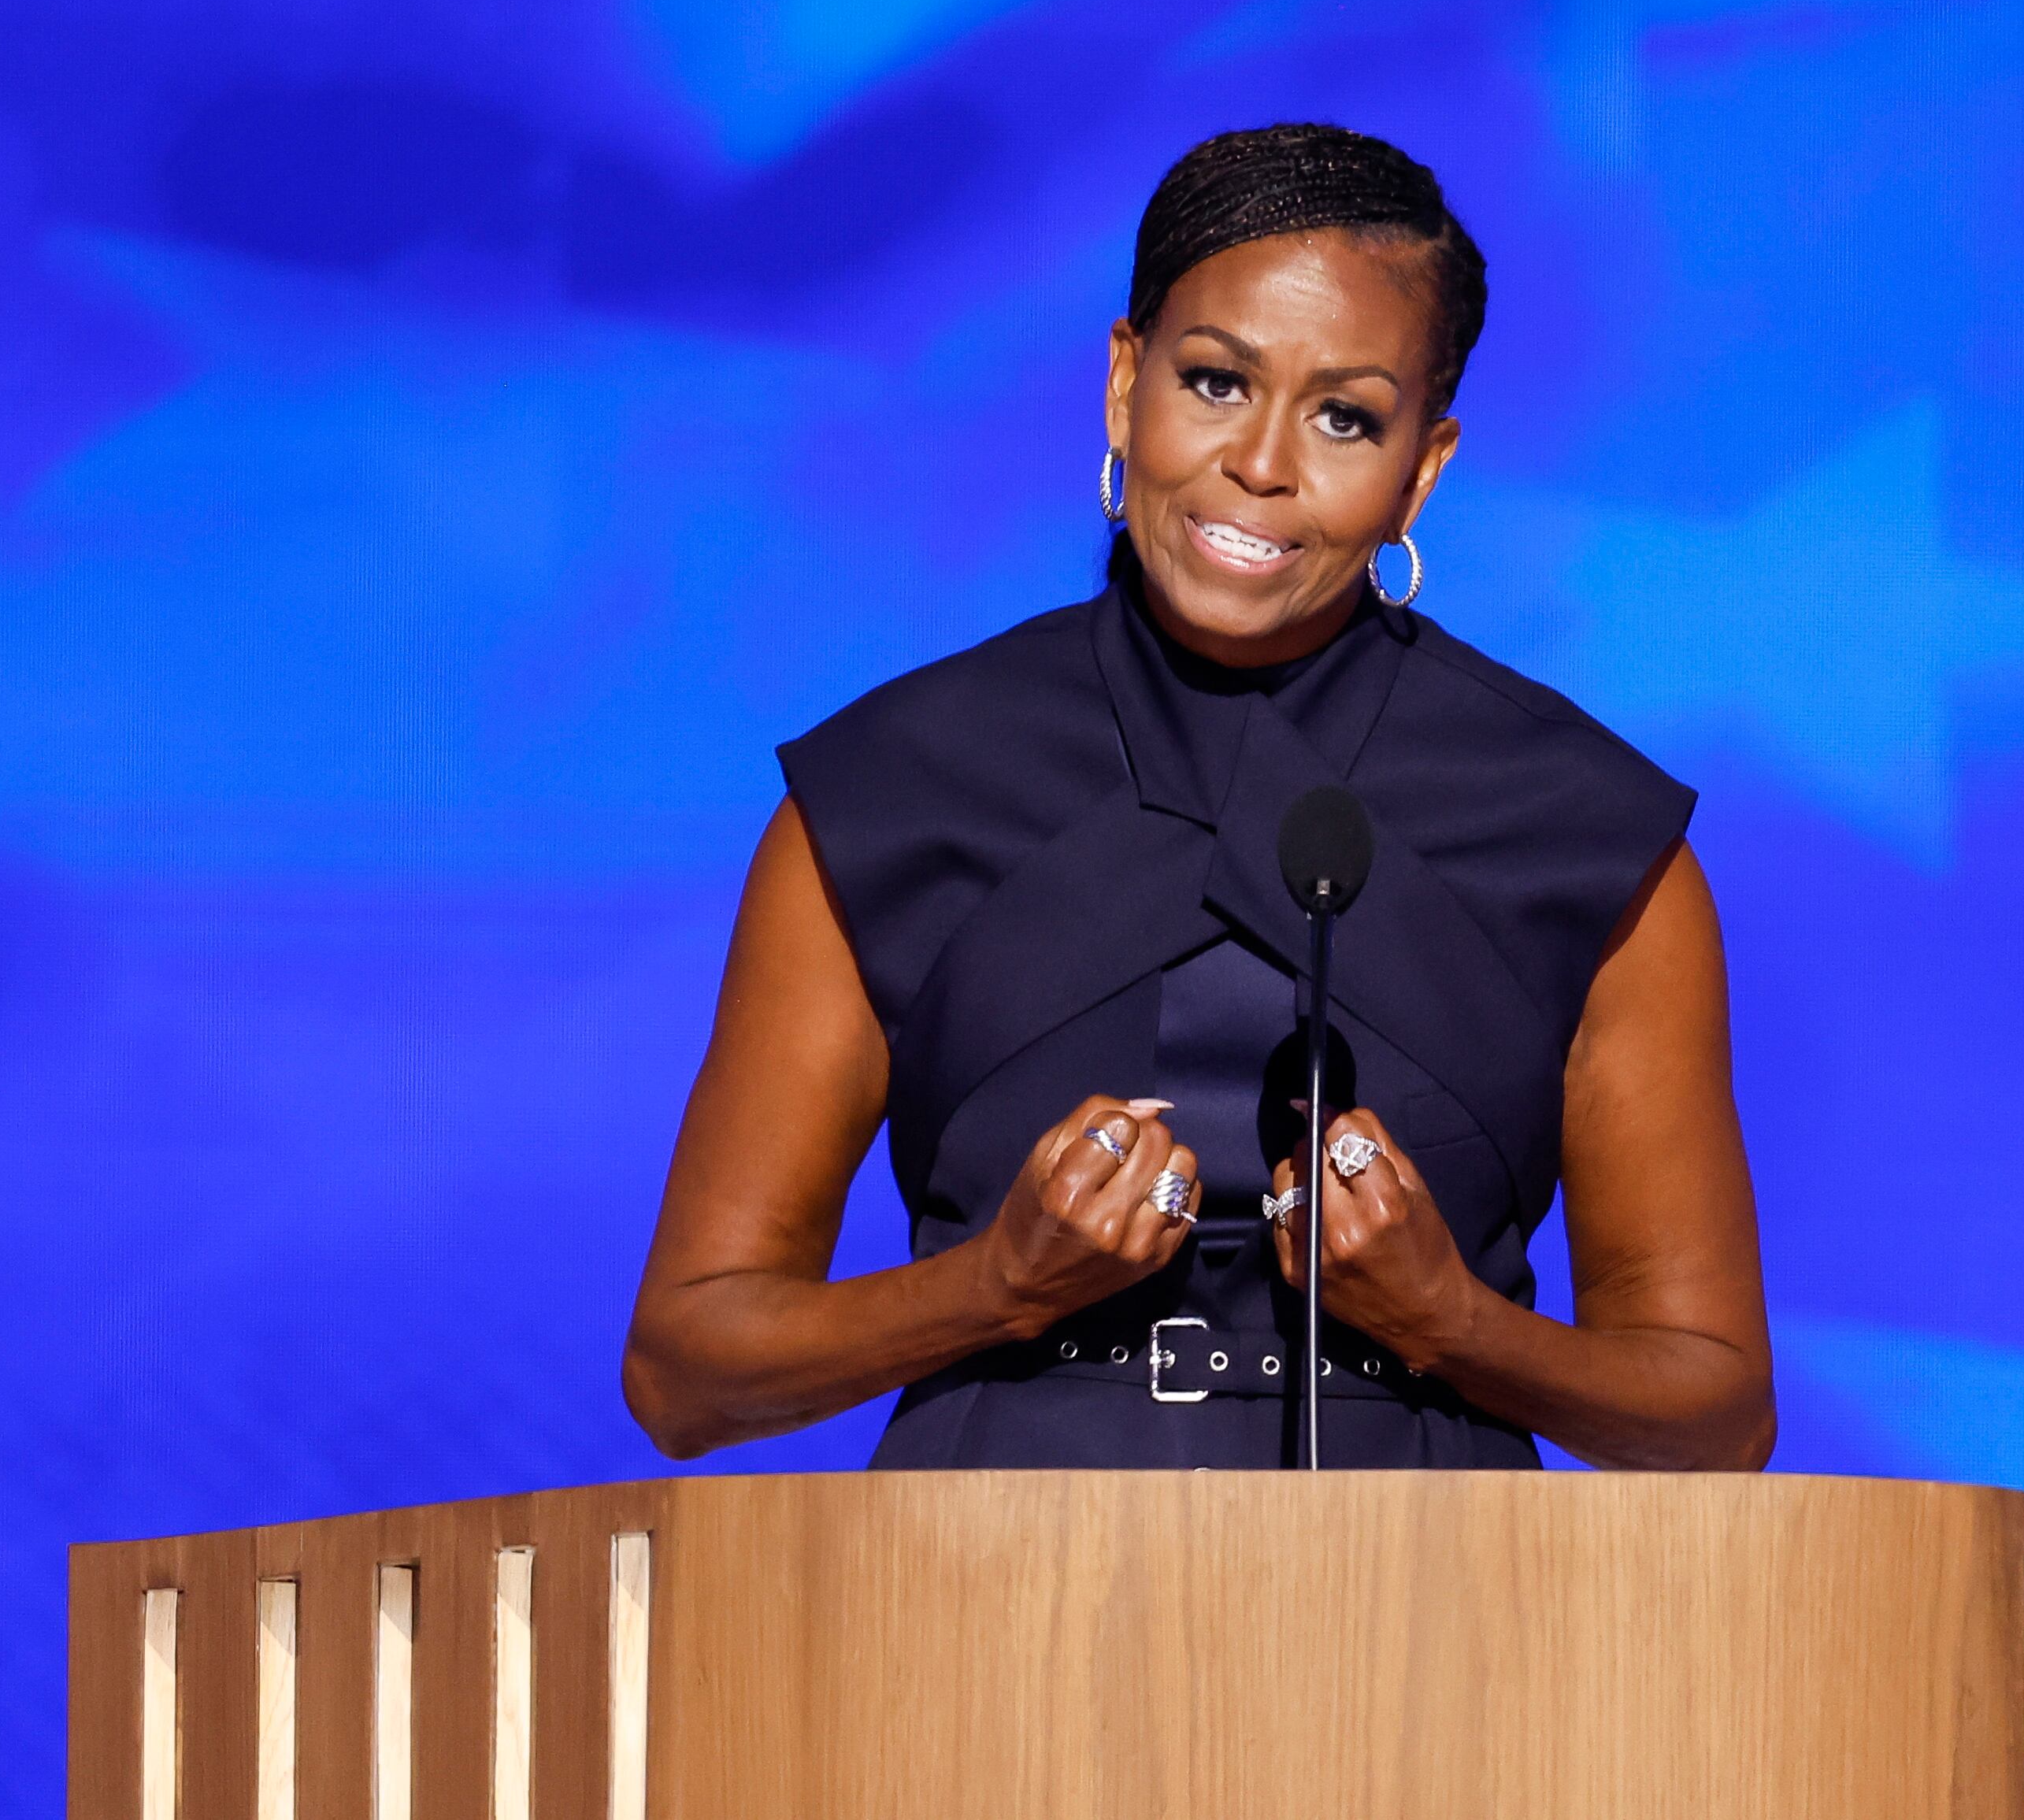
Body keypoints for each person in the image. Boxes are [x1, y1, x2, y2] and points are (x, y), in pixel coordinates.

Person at [623, 124, 1772, 1470]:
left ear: (1424, 465)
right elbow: (686, 1372)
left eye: (1345, 416)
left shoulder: (1583, 834)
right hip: (972, 1625)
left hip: (1445, 1632)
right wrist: (992, 1285)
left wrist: (1451, 1320)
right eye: (1215, 383)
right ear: (1124, 386)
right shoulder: (894, 789)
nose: (1263, 464)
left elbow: (1711, 1413)